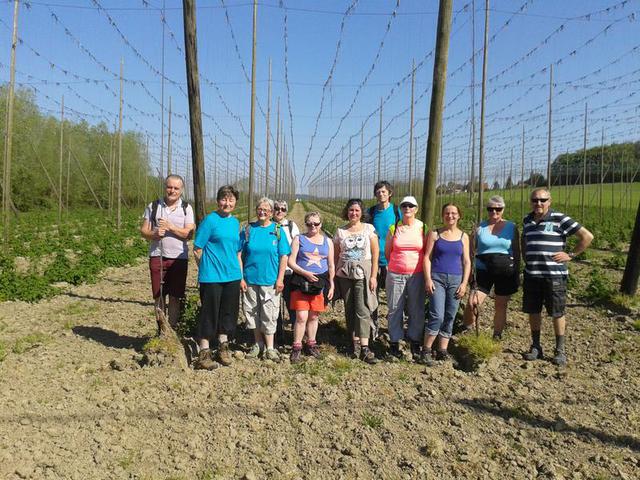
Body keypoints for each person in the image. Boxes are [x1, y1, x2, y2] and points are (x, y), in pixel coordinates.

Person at [521, 188, 593, 366]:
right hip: (532, 274)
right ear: (531, 201)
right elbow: (524, 241)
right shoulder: (527, 220)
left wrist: (571, 255)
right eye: (535, 200)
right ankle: (536, 346)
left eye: (543, 200)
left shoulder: (560, 219)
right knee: (533, 311)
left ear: (549, 201)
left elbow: (587, 236)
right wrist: (526, 258)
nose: (539, 203)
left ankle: (560, 350)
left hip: (554, 276)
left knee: (557, 312)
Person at [192, 185, 243, 370]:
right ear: (217, 201)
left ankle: (223, 347)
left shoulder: (235, 223)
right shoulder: (210, 220)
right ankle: (204, 353)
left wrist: (240, 274)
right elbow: (197, 248)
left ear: (235, 202)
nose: (227, 203)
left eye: (230, 200)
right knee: (209, 313)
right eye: (223, 199)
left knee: (228, 313)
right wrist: (205, 267)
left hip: (232, 275)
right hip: (212, 276)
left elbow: (237, 251)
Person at [140, 174, 195, 334]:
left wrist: (170, 227)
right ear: (165, 187)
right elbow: (143, 231)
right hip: (157, 255)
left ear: (181, 190)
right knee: (158, 295)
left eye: (176, 188)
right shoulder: (154, 206)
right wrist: (154, 234)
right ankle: (161, 330)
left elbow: (189, 234)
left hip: (179, 258)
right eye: (169, 187)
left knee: (175, 297)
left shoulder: (186, 208)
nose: (172, 191)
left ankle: (172, 330)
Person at [463, 195, 520, 339]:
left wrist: (517, 271)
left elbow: (516, 250)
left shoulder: (512, 227)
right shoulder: (479, 228)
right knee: (472, 302)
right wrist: (469, 272)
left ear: (503, 209)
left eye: (498, 209)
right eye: (491, 209)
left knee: (501, 305)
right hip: (483, 271)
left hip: (505, 272)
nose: (494, 212)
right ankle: (468, 328)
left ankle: (497, 334)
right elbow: (470, 251)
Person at [420, 203, 471, 365]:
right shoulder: (435, 234)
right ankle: (426, 350)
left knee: (450, 315)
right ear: (442, 216)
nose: (450, 216)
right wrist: (428, 279)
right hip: (437, 279)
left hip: (456, 280)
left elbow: (467, 262)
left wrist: (464, 284)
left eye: (454, 213)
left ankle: (442, 350)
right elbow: (427, 257)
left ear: (459, 215)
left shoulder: (464, 236)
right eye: (447, 213)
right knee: (437, 314)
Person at [240, 198, 290, 362]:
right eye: (259, 209)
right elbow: (239, 254)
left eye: (266, 210)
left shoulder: (277, 230)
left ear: (271, 213)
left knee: (269, 313)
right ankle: (258, 344)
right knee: (252, 312)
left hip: (270, 280)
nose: (262, 212)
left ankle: (270, 347)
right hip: (251, 279)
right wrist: (241, 278)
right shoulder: (248, 230)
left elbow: (284, 256)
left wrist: (280, 278)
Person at [334, 199, 379, 364]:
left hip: (363, 273)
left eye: (357, 210)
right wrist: (334, 275)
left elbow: (375, 254)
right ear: (347, 212)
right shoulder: (341, 231)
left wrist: (374, 276)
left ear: (362, 213)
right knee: (349, 307)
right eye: (351, 210)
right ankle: (354, 343)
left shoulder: (369, 229)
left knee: (363, 308)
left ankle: (365, 346)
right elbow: (336, 254)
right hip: (345, 274)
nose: (354, 213)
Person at [287, 211, 335, 363]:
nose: (313, 226)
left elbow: (331, 265)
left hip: (320, 282)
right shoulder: (299, 239)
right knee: (301, 316)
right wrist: (305, 273)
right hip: (301, 281)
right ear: (305, 224)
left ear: (321, 224)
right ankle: (296, 347)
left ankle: (311, 344)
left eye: (316, 223)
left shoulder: (328, 242)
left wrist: (332, 283)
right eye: (309, 224)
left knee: (314, 316)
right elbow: (291, 262)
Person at [384, 195, 428, 360]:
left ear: (416, 209)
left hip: (417, 274)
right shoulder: (394, 228)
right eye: (404, 206)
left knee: (416, 309)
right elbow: (388, 252)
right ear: (400, 209)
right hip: (396, 274)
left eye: (411, 206)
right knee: (395, 308)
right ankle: (394, 342)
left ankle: (414, 341)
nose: (407, 209)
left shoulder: (423, 227)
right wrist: (397, 265)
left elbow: (426, 251)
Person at [366, 181, 401, 337]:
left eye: (384, 192)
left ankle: (394, 330)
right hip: (373, 260)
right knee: (372, 297)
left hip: (391, 261)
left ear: (390, 193)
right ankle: (373, 329)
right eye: (378, 192)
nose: (381, 194)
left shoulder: (396, 211)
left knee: (394, 298)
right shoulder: (371, 212)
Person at [273, 199, 300, 343]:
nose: (279, 211)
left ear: (286, 211)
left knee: (291, 303)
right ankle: (276, 333)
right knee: (273, 304)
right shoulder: (268, 225)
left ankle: (296, 334)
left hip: (289, 271)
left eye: (283, 209)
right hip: (272, 271)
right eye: (276, 208)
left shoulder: (291, 226)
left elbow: (297, 246)